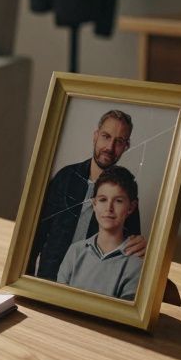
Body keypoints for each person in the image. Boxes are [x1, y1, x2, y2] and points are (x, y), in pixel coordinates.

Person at [29, 109, 146, 281]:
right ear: (96, 136)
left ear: (126, 146)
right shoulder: (65, 177)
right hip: (48, 280)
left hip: (91, 286)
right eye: (106, 136)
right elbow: (35, 234)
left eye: (119, 141)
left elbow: (132, 247)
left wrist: (144, 247)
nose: (109, 147)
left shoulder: (126, 190)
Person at [56, 167, 143, 300]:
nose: (109, 208)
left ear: (131, 207)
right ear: (94, 203)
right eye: (103, 200)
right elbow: (59, 301)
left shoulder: (136, 264)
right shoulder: (75, 251)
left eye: (118, 201)